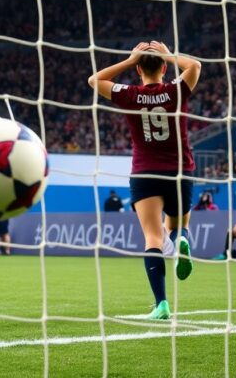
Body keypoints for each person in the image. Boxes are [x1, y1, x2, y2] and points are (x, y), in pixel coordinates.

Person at [88, 40, 201, 320]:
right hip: (179, 170)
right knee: (178, 226)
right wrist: (169, 55)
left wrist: (130, 60)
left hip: (145, 173)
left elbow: (94, 80)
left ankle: (161, 304)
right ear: (164, 67)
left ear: (139, 70)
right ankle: (181, 240)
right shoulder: (175, 90)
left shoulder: (130, 94)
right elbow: (195, 66)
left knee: (152, 236)